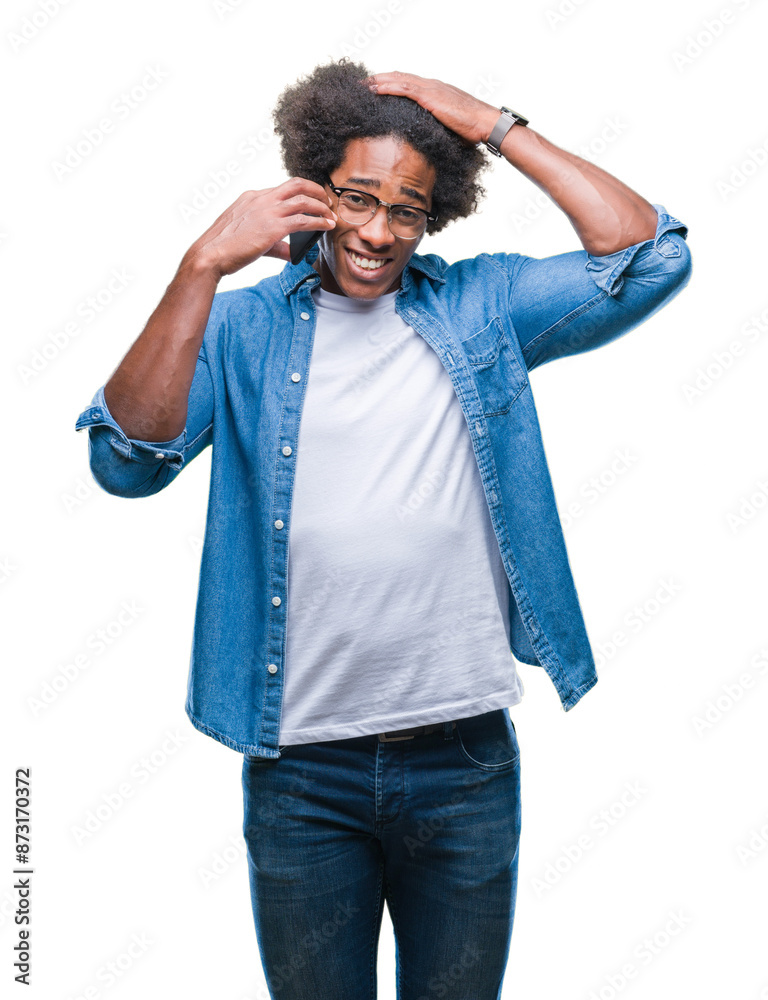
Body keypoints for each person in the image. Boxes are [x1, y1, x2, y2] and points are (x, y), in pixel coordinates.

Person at [74, 59, 692, 1000]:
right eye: (357, 198)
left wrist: (490, 121)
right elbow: (125, 462)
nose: (376, 230)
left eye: (406, 209)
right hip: (302, 777)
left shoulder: (479, 307)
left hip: (464, 764)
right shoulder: (244, 330)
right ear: (313, 188)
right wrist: (202, 263)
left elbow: (651, 255)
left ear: (432, 217)